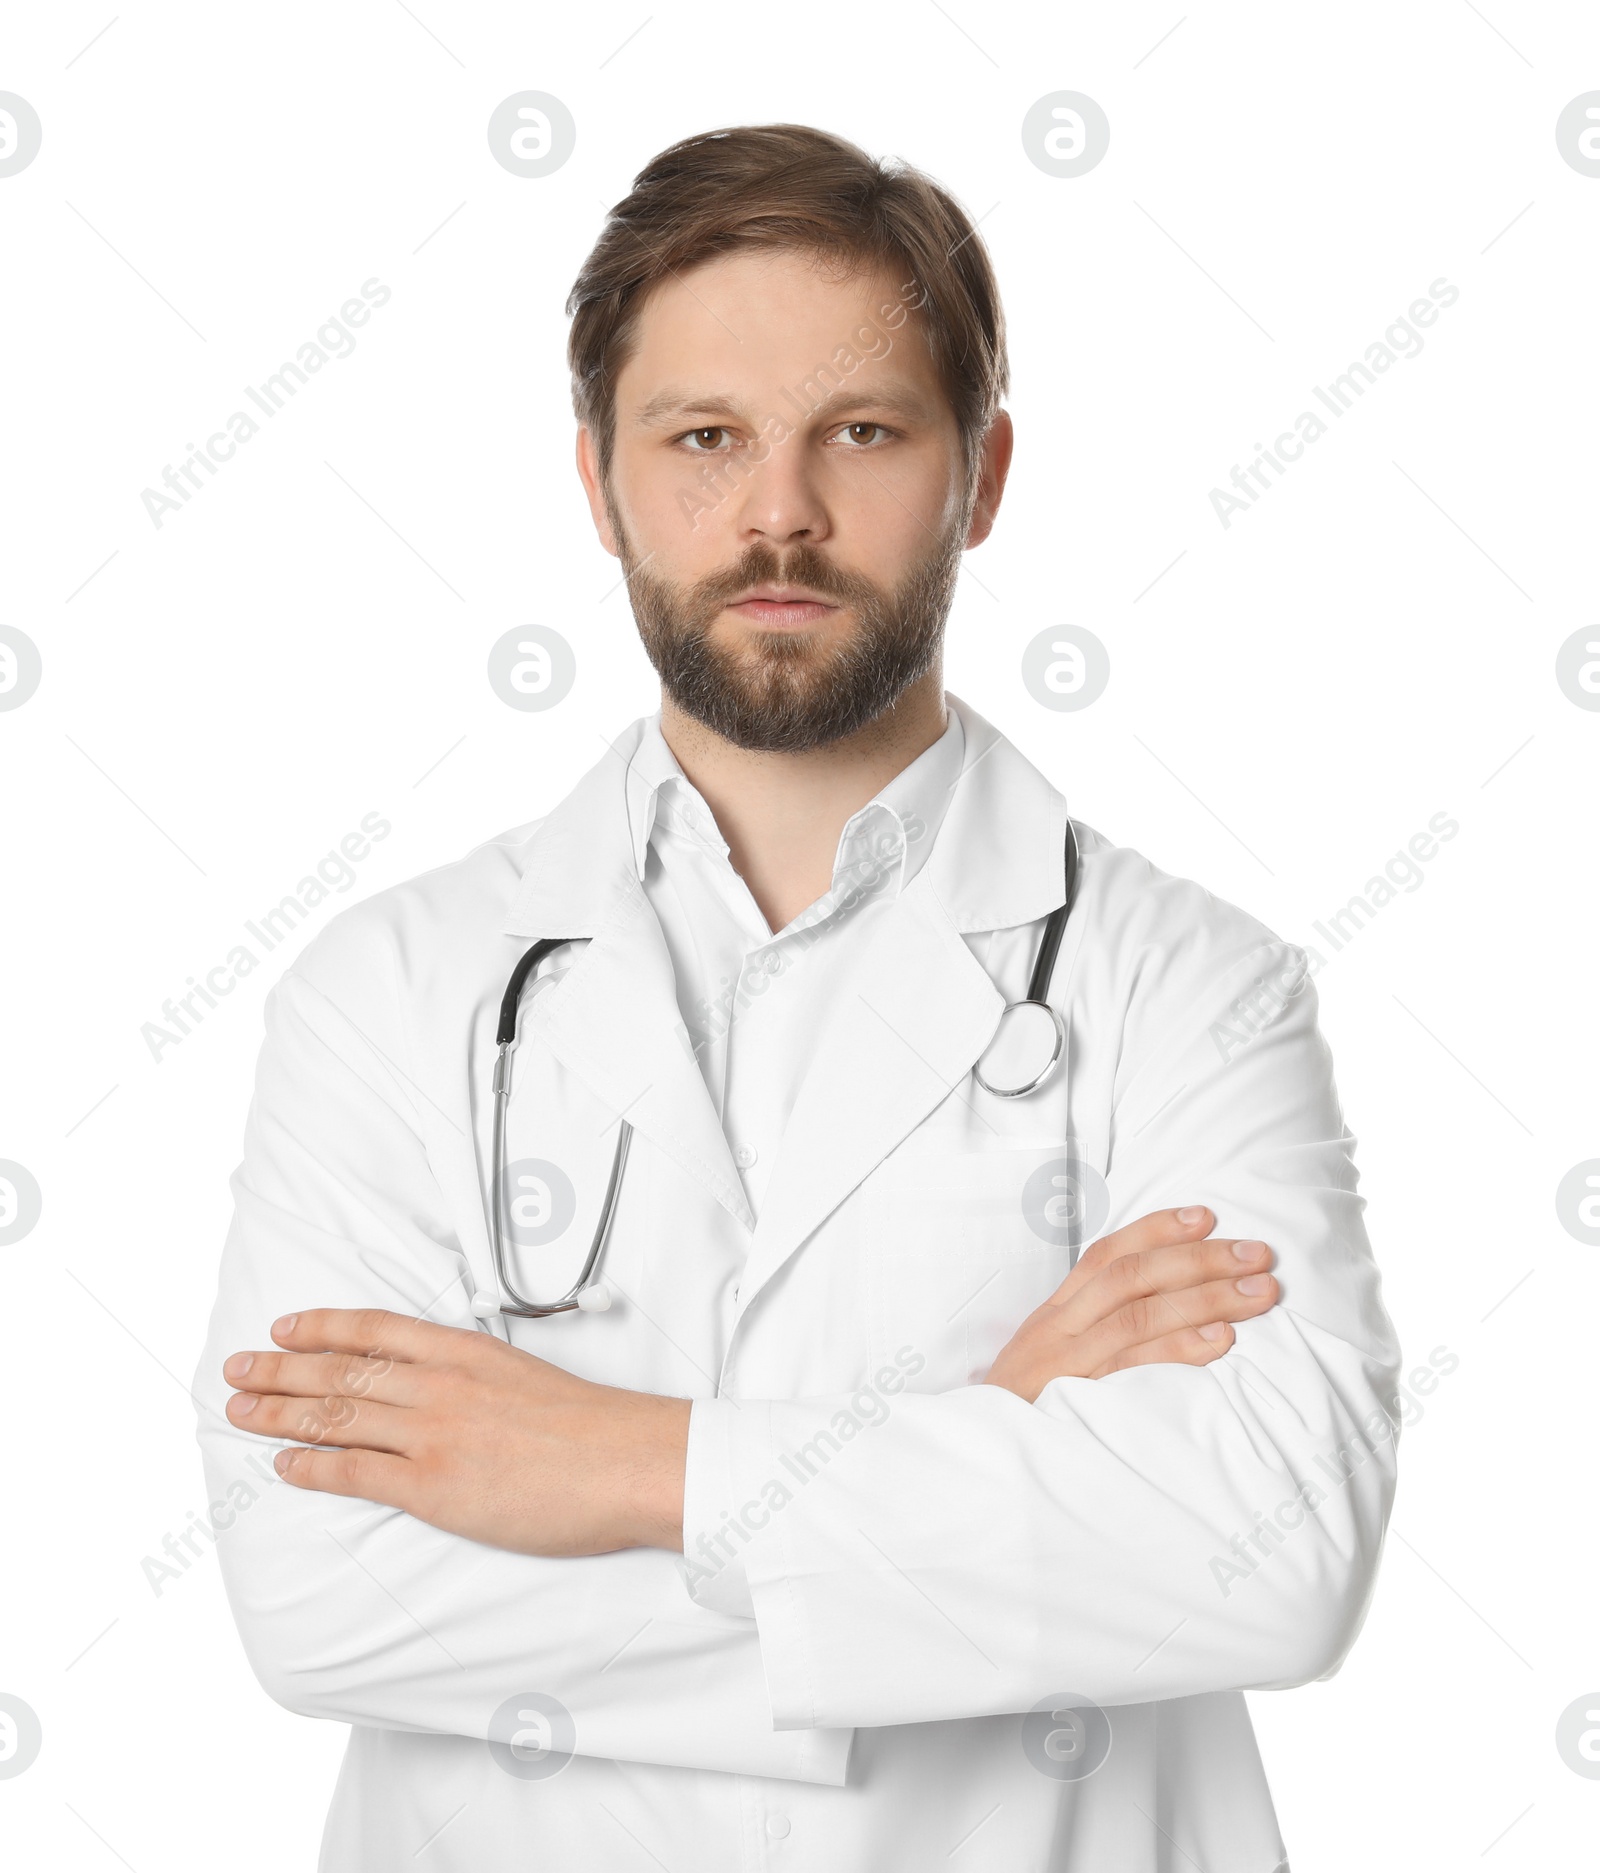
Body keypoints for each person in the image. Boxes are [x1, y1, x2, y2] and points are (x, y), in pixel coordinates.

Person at [194, 123, 1400, 1872]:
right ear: (599, 487)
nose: (779, 512)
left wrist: (630, 1466)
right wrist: (991, 1456)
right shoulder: (386, 992)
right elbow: (322, 1597)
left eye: (862, 432)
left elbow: (1273, 1552)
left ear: (982, 473)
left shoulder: (1192, 986)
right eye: (704, 440)